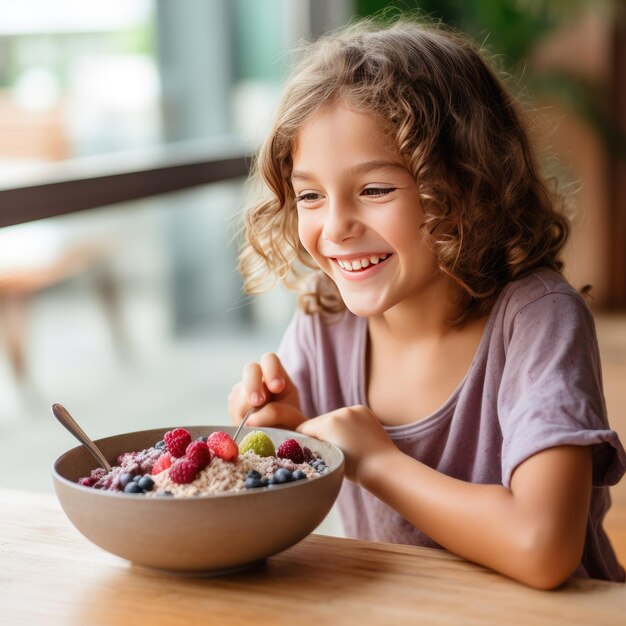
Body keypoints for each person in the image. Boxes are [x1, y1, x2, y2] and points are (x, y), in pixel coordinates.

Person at [228, 17, 626, 589]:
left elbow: (545, 547)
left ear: (467, 184)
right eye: (310, 195)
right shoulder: (325, 319)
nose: (335, 227)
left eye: (375, 189)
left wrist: (379, 463)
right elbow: (280, 501)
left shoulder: (538, 319)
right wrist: (280, 432)